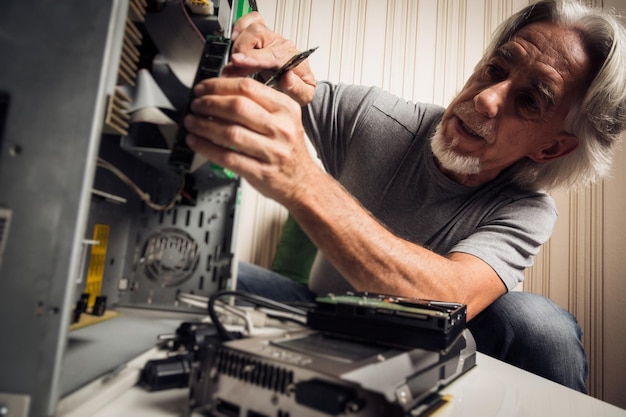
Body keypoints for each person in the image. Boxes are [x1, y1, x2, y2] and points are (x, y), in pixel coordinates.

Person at [182, 0, 626, 393]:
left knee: (537, 324)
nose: (488, 99)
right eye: (496, 68)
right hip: (319, 313)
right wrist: (251, 48)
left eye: (530, 101)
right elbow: (285, 85)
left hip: (428, 351)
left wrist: (301, 182)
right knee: (203, 272)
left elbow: (446, 298)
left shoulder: (526, 209)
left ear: (550, 148)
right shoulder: (376, 119)